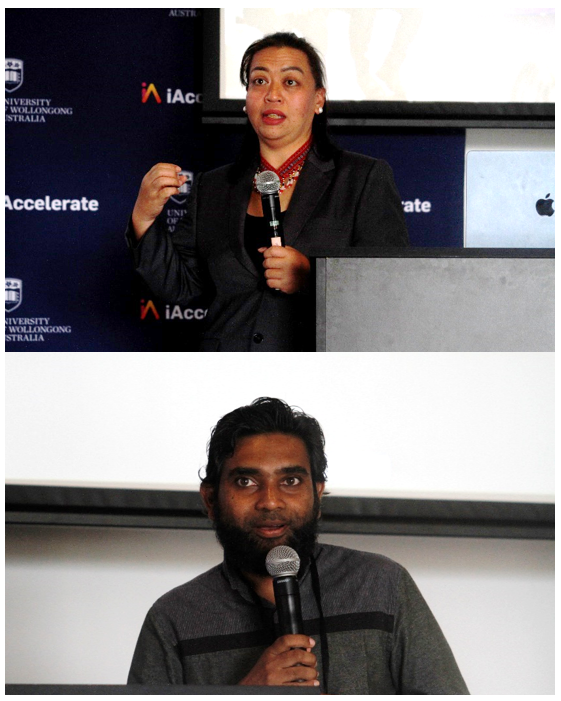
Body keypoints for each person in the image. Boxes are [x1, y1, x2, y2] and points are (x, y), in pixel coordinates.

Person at [126, 398, 467, 693]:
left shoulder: (381, 586)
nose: (270, 502)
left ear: (317, 495)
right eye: (246, 481)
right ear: (211, 499)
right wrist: (242, 697)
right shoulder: (173, 619)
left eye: (290, 481)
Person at [128, 32, 409, 351]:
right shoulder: (212, 187)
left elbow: (390, 291)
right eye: (259, 81)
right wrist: (144, 218)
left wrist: (310, 278)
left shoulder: (362, 178)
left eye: (290, 82)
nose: (272, 95)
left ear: (318, 99)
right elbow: (181, 286)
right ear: (247, 98)